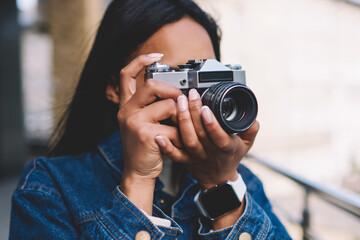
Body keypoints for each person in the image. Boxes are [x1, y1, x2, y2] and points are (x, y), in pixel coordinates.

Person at [10, 0, 291, 239]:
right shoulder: (49, 188)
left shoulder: (244, 184)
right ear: (116, 87)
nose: (195, 98)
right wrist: (139, 179)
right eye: (177, 76)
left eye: (207, 76)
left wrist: (221, 186)